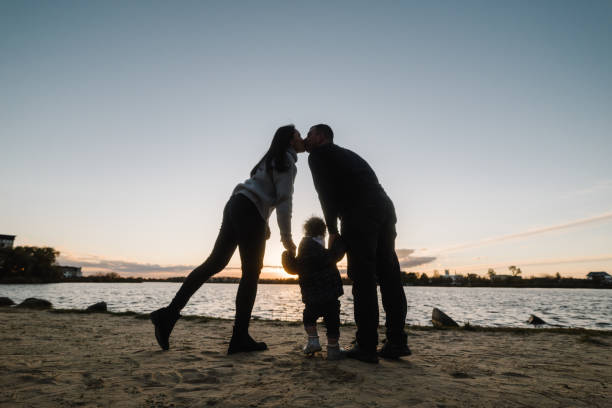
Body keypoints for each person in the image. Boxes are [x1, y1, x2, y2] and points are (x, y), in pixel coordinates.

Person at [151, 124, 305, 354]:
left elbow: (263, 193)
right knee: (251, 273)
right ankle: (239, 337)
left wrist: (264, 224)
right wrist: (287, 239)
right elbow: (284, 202)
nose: (302, 139)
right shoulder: (286, 161)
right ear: (290, 141)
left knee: (214, 263)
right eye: (299, 136)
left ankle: (169, 314)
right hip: (249, 211)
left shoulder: (270, 159)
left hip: (236, 204)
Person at [303, 124, 410, 364]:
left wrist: (332, 230)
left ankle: (366, 345)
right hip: (384, 208)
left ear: (320, 136)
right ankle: (396, 342)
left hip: (359, 213)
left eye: (309, 134)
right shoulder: (347, 154)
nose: (306, 139)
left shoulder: (319, 155)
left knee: (363, 278)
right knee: (389, 275)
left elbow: (324, 193)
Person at [281, 216, 346, 360]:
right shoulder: (323, 251)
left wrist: (287, 255)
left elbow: (291, 268)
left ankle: (313, 341)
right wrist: (340, 241)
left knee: (309, 317)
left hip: (312, 297)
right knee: (333, 322)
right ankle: (333, 349)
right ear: (323, 233)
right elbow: (337, 253)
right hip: (330, 296)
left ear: (306, 231)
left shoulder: (303, 252)